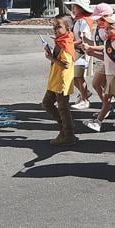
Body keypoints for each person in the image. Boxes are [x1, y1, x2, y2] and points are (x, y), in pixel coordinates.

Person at [83, 14, 115, 131]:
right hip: (110, 74)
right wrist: (91, 50)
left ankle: (98, 122)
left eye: (111, 28)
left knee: (107, 99)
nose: (107, 30)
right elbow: (104, 52)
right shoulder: (109, 41)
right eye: (106, 27)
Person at [41, 14, 78, 146]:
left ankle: (68, 133)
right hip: (56, 80)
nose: (55, 29)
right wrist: (52, 52)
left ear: (68, 28)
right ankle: (65, 128)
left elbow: (66, 64)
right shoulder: (62, 40)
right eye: (54, 26)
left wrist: (51, 58)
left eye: (58, 27)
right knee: (47, 103)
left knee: (62, 108)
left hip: (62, 82)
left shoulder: (65, 43)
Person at [64, 0, 95, 110]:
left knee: (78, 76)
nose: (72, 9)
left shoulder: (83, 21)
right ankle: (85, 93)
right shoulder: (79, 20)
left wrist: (70, 44)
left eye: (75, 7)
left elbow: (83, 39)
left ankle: (84, 99)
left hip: (81, 51)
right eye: (72, 6)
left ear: (81, 8)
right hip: (77, 50)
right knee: (74, 76)